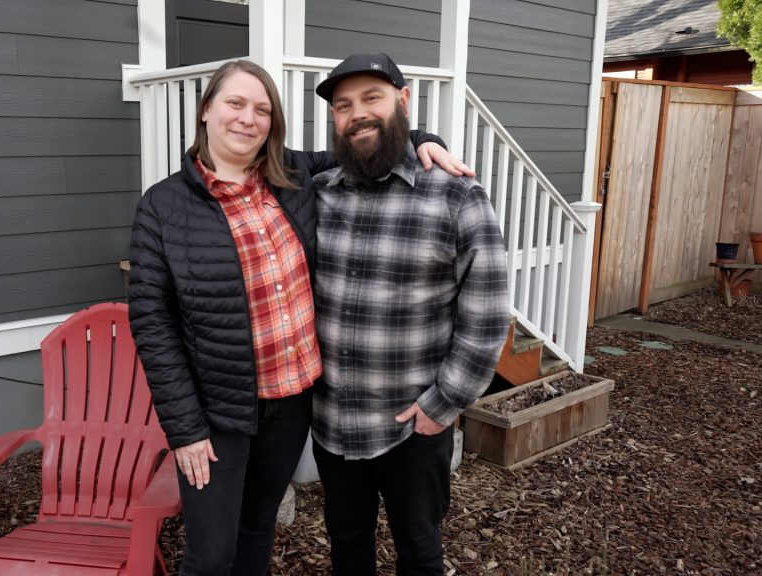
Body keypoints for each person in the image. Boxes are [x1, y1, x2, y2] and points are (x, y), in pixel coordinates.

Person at [128, 59, 469, 576]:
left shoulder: (292, 175)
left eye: (261, 109)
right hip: (217, 411)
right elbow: (152, 325)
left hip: (290, 404)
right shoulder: (163, 207)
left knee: (258, 526)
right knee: (209, 552)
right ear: (206, 111)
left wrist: (422, 136)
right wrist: (185, 429)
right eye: (235, 104)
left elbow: (366, 139)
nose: (248, 119)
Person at [310, 53, 510, 575]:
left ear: (403, 101)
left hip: (412, 425)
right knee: (346, 546)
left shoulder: (457, 197)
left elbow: (487, 315)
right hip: (332, 422)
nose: (357, 114)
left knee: (419, 553)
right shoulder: (317, 195)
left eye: (372, 98)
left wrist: (442, 405)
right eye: (343, 105)